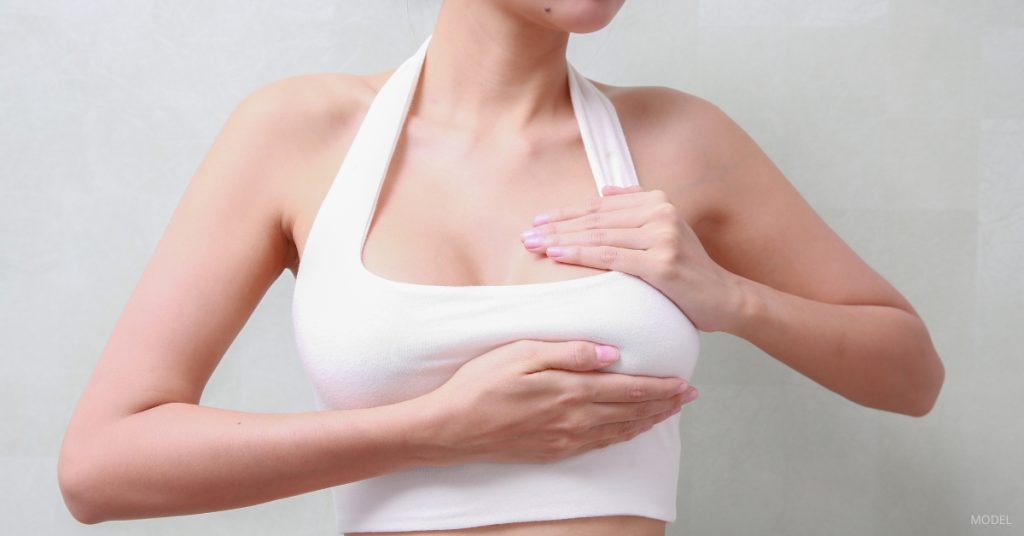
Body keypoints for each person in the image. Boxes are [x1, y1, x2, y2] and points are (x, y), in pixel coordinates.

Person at [57, 1, 945, 534]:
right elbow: (100, 468)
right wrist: (433, 428)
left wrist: (732, 298)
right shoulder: (298, 134)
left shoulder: (681, 142)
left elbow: (911, 375)